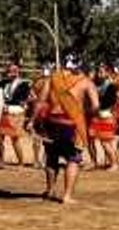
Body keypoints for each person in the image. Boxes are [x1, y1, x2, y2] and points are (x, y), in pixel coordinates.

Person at [34, 55, 99, 204]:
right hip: (72, 123)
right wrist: (87, 114)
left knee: (52, 156)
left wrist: (32, 121)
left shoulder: (52, 79)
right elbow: (95, 106)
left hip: (52, 122)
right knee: (73, 158)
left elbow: (41, 101)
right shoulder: (86, 82)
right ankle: (67, 195)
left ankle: (50, 190)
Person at [0, 62, 32, 168]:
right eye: (9, 70)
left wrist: (23, 103)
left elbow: (28, 97)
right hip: (6, 112)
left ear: (18, 72)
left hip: (16, 112)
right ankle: (1, 161)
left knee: (14, 138)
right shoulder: (5, 83)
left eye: (14, 70)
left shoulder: (24, 84)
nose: (11, 72)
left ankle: (21, 162)